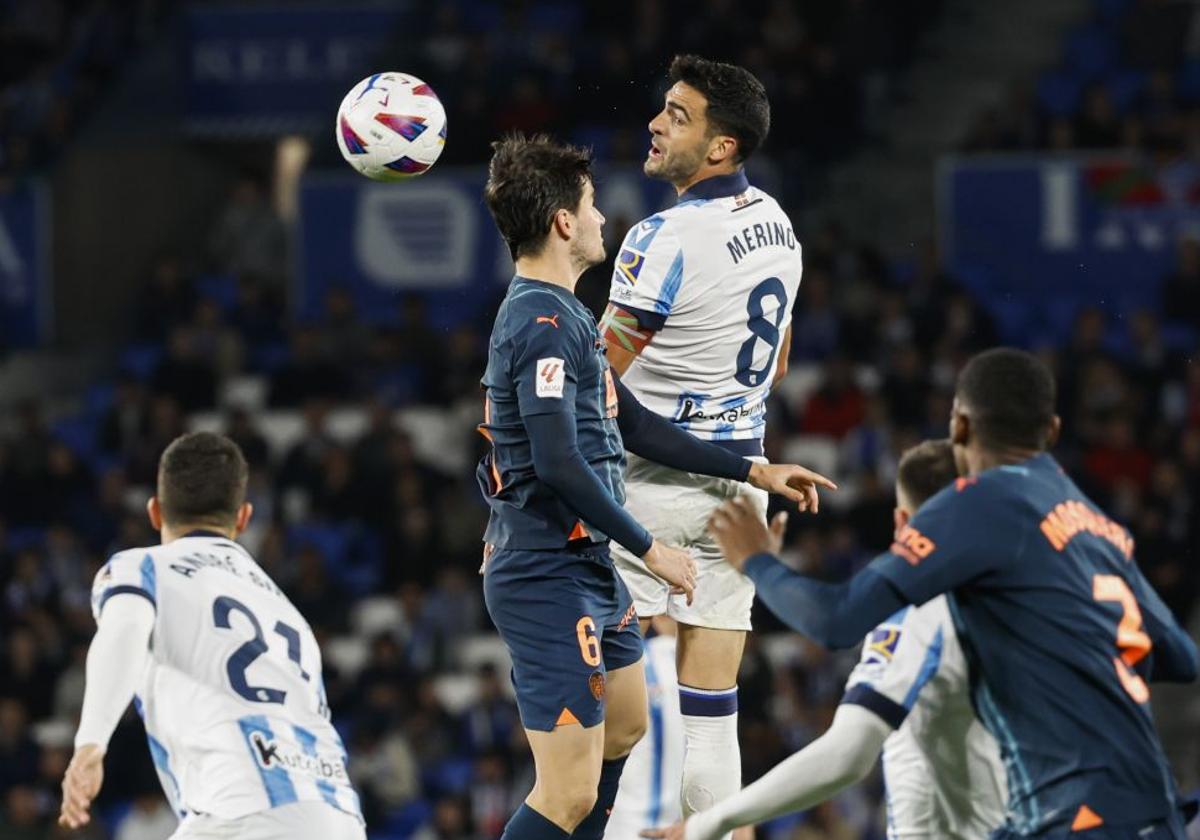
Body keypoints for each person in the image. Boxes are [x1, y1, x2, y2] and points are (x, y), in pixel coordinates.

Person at [476, 133, 833, 840]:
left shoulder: (572, 315)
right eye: (592, 204)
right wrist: (650, 548)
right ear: (563, 223)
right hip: (546, 568)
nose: (604, 217)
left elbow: (633, 422)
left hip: (583, 568)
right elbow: (556, 461)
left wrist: (753, 468)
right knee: (569, 794)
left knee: (628, 726)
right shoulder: (540, 325)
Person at [707, 348, 1200, 838]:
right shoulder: (1093, 520)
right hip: (1158, 809)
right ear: (1052, 431)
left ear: (960, 427)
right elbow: (1180, 656)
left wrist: (757, 561)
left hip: (1077, 817)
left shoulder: (979, 503)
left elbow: (837, 622)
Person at [600, 54, 799, 829]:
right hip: (735, 493)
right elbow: (775, 360)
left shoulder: (661, 236)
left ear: (721, 147)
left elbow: (597, 385)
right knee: (712, 716)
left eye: (677, 117)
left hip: (642, 493)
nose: (655, 124)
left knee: (600, 725)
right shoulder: (778, 224)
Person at [645, 440, 1006, 840]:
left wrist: (710, 821)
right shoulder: (1021, 603)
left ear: (903, 523)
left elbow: (846, 754)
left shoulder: (926, 616)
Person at [59, 432, 365, 839]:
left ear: (154, 512)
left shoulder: (144, 567)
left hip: (242, 809)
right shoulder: (288, 614)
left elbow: (124, 629)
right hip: (339, 816)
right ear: (243, 517)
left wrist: (89, 746)